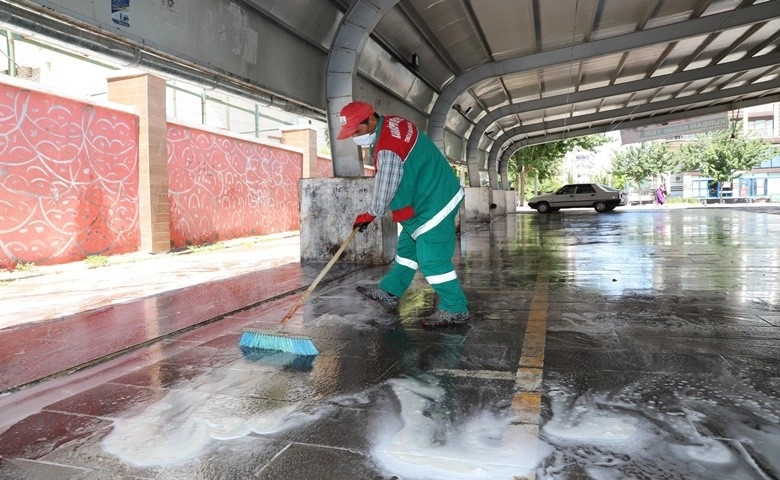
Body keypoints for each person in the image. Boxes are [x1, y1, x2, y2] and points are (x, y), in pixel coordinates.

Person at [336, 101, 469, 327]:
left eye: (356, 131)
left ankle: (456, 308)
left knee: (432, 259)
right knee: (407, 250)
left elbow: (386, 185)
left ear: (370, 120)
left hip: (435, 201)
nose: (354, 138)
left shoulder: (387, 147)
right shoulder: (394, 123)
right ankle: (390, 291)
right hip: (425, 196)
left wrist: (370, 214)